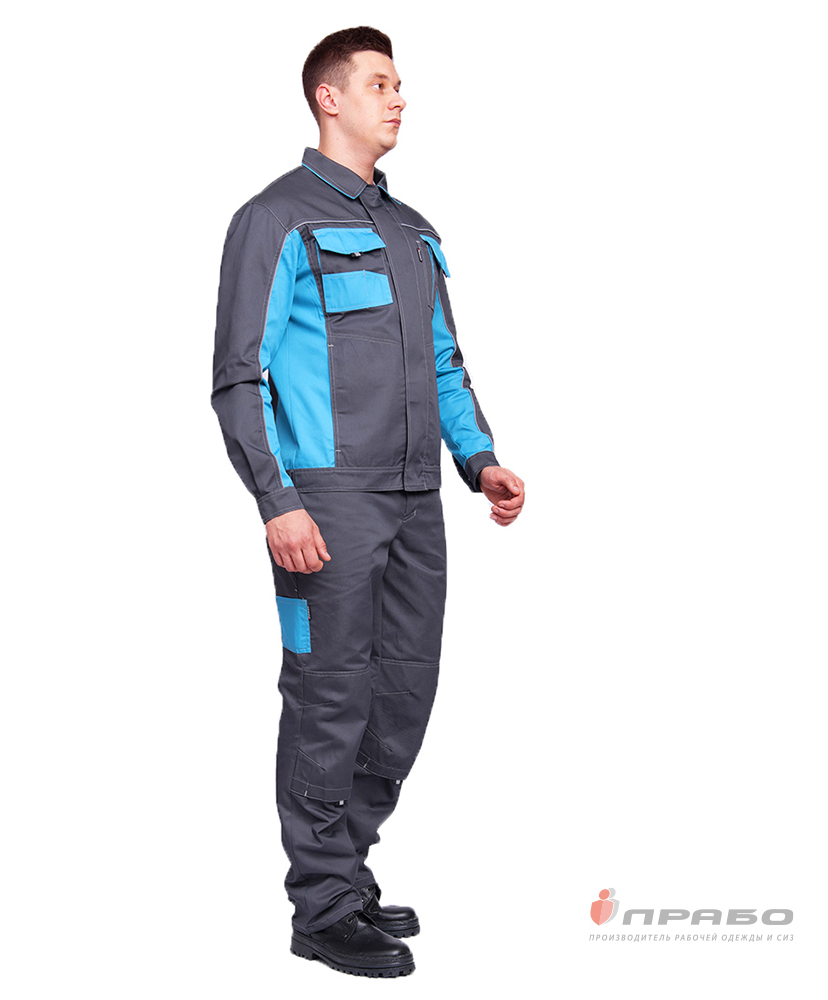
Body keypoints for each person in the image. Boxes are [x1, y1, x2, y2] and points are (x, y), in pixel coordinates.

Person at [211, 26, 525, 978]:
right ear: (329, 98)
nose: (399, 99)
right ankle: (322, 906)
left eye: (400, 84)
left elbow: (445, 362)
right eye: (381, 84)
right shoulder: (276, 219)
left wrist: (481, 460)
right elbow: (238, 376)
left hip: (417, 497)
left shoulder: (413, 229)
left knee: (401, 692)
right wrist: (277, 500)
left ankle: (347, 869)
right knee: (329, 694)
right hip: (328, 501)